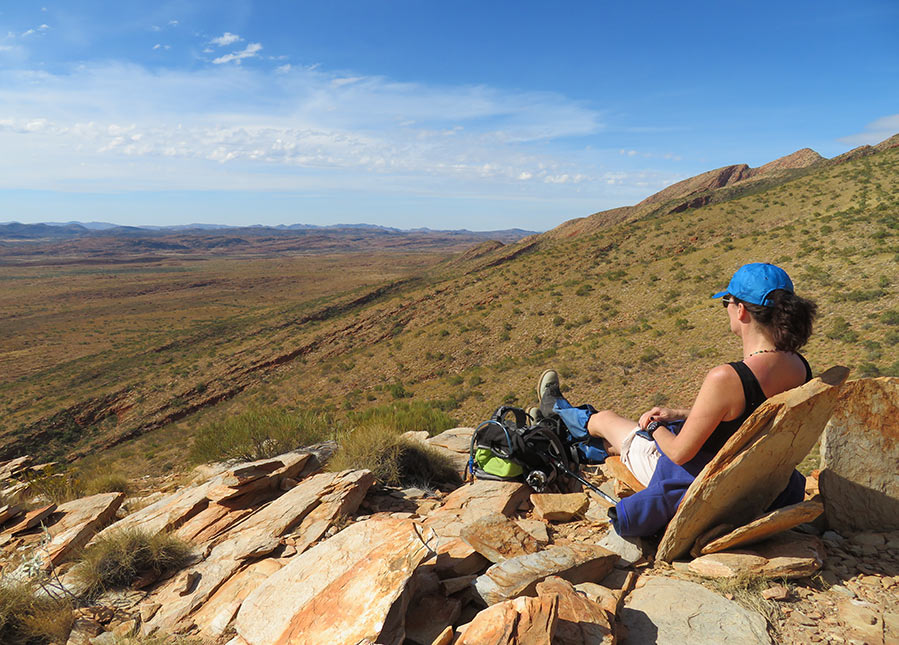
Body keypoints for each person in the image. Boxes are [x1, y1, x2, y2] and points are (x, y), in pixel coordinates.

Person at [539, 262, 818, 490]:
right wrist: (680, 413)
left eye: (727, 303)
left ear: (741, 310)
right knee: (614, 442)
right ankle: (575, 445)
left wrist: (652, 427)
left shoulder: (728, 378)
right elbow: (747, 416)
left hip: (697, 482)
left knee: (606, 419)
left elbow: (677, 453)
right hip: (748, 482)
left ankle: (557, 412)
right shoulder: (800, 367)